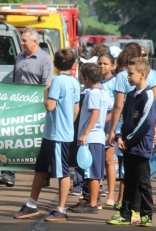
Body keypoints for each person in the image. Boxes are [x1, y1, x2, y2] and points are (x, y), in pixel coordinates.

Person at [13, 49, 79, 221]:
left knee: (62, 172)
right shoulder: (75, 82)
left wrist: (45, 92)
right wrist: (68, 125)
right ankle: (31, 204)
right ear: (73, 65)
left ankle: (61, 209)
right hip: (55, 133)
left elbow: (49, 106)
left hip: (57, 135)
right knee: (40, 169)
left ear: (55, 65)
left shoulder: (56, 81)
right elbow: (76, 109)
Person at [0, 27, 53, 187]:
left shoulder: (45, 59)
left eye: (24, 40)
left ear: (35, 41)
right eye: (22, 40)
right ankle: (8, 174)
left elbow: (47, 84)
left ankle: (43, 174)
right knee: (12, 138)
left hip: (37, 107)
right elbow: (14, 81)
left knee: (37, 142)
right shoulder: (19, 56)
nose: (21, 43)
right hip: (18, 106)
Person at [107, 57, 156, 227]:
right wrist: (119, 136)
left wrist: (128, 140)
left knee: (143, 182)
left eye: (131, 73)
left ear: (142, 74)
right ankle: (126, 214)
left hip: (140, 147)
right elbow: (124, 119)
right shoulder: (130, 95)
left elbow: (145, 123)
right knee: (128, 180)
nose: (128, 76)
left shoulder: (148, 96)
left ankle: (147, 214)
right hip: (127, 145)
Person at [70, 63, 112, 214]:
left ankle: (92, 204)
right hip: (98, 135)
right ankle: (89, 201)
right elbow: (110, 112)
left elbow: (94, 113)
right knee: (91, 170)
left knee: (92, 171)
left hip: (92, 137)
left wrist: (85, 133)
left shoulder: (92, 93)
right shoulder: (104, 93)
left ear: (86, 78)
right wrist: (101, 122)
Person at [97, 53, 116, 205]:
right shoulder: (94, 81)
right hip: (93, 128)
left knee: (109, 160)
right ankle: (93, 194)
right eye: (100, 63)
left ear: (113, 65)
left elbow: (117, 108)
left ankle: (110, 195)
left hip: (109, 127)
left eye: (105, 63)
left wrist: (103, 122)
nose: (102, 66)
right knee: (94, 161)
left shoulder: (115, 83)